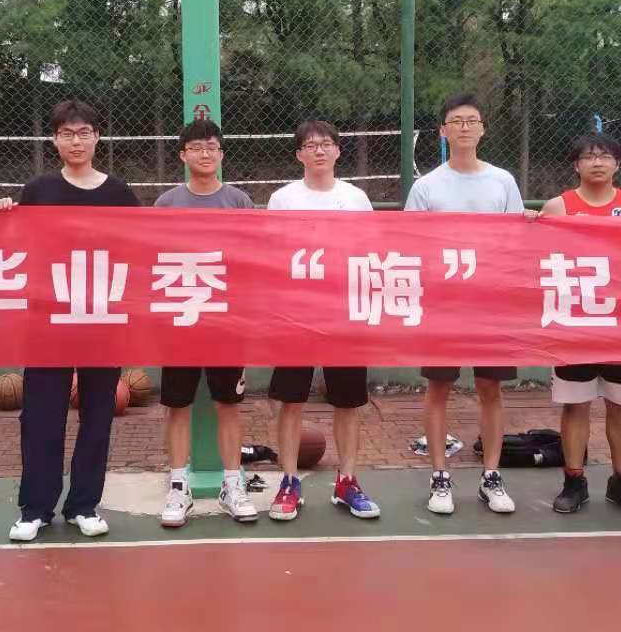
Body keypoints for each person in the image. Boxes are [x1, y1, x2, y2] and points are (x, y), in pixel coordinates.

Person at [0, 100, 140, 542]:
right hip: (49, 318)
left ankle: (84, 505)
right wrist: (1, 216)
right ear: (55, 140)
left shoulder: (119, 194)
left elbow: (141, 249)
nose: (76, 141)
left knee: (97, 415)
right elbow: (13, 244)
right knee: (41, 416)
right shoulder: (38, 190)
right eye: (67, 133)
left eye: (84, 132)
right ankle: (35, 508)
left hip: (102, 317)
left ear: (97, 138)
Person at [404, 93, 524, 516]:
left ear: (483, 129)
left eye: (472, 120)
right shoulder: (426, 186)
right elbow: (412, 244)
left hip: (491, 304)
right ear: (443, 131)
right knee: (439, 387)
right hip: (444, 305)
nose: (465, 127)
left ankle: (491, 475)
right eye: (456, 121)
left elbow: (516, 240)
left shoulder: (502, 181)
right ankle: (440, 475)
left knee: (490, 388)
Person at [265, 120, 380, 521]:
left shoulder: (356, 198)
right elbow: (271, 254)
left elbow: (371, 251)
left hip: (343, 311)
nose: (319, 150)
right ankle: (288, 482)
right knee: (290, 400)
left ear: (338, 151)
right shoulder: (282, 199)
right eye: (311, 145)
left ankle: (347, 481)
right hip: (296, 312)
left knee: (348, 401)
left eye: (326, 144)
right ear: (299, 154)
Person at [152, 119, 258, 527]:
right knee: (177, 406)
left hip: (226, 321)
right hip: (180, 317)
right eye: (196, 147)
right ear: (183, 155)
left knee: (227, 405)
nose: (205, 153)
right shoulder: (166, 204)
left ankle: (233, 483)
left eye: (212, 146)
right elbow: (153, 258)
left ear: (221, 153)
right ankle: (179, 487)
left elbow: (254, 258)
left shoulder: (239, 201)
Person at [539, 132, 621, 516]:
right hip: (575, 322)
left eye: (605, 156)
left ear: (617, 164)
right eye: (589, 156)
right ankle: (574, 481)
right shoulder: (558, 207)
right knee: (575, 405)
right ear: (576, 165)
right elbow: (536, 256)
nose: (597, 162)